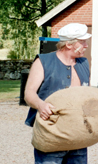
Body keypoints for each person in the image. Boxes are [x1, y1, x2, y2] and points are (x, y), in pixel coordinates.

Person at [24, 23, 91, 164]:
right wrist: (40, 105)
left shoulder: (83, 62)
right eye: (82, 42)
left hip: (78, 135)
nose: (86, 45)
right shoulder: (43, 61)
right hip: (51, 134)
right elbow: (29, 93)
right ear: (69, 44)